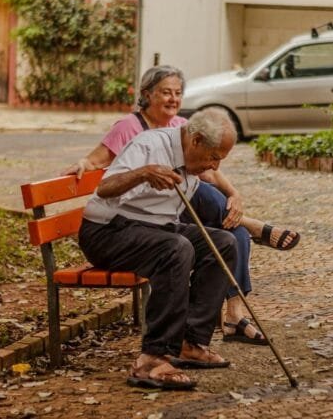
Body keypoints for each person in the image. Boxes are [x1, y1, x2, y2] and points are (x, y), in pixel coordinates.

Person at [63, 65, 301, 343]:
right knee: (179, 246)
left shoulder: (183, 129)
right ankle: (159, 350)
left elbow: (210, 172)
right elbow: (103, 180)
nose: (173, 99)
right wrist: (136, 171)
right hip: (117, 227)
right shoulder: (138, 135)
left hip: (163, 216)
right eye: (166, 92)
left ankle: (199, 338)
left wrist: (234, 195)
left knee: (227, 239)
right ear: (147, 95)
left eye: (178, 93)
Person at [79, 108, 239, 390]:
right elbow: (105, 189)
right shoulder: (150, 145)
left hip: (154, 228)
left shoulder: (193, 160)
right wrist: (143, 173)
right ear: (197, 140)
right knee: (176, 249)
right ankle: (152, 358)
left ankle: (191, 342)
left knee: (223, 243)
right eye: (214, 157)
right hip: (107, 232)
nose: (214, 166)